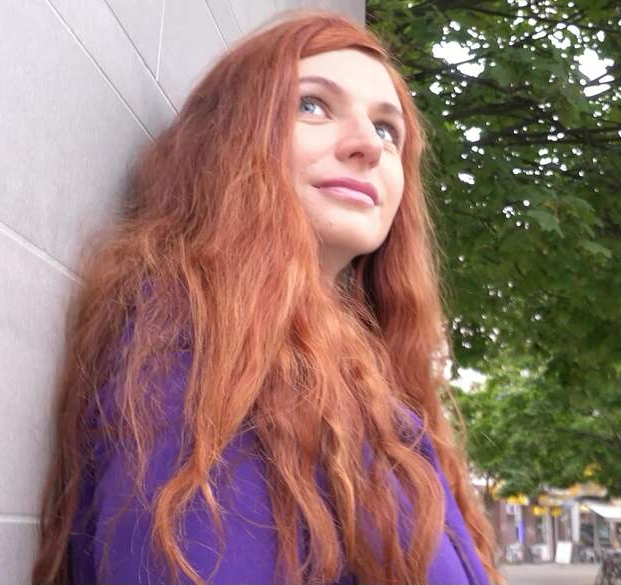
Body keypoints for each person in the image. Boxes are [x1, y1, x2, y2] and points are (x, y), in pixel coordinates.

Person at [31, 9, 501, 585]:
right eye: (313, 105)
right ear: (232, 140)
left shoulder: (372, 377)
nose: (369, 146)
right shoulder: (203, 340)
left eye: (388, 130)